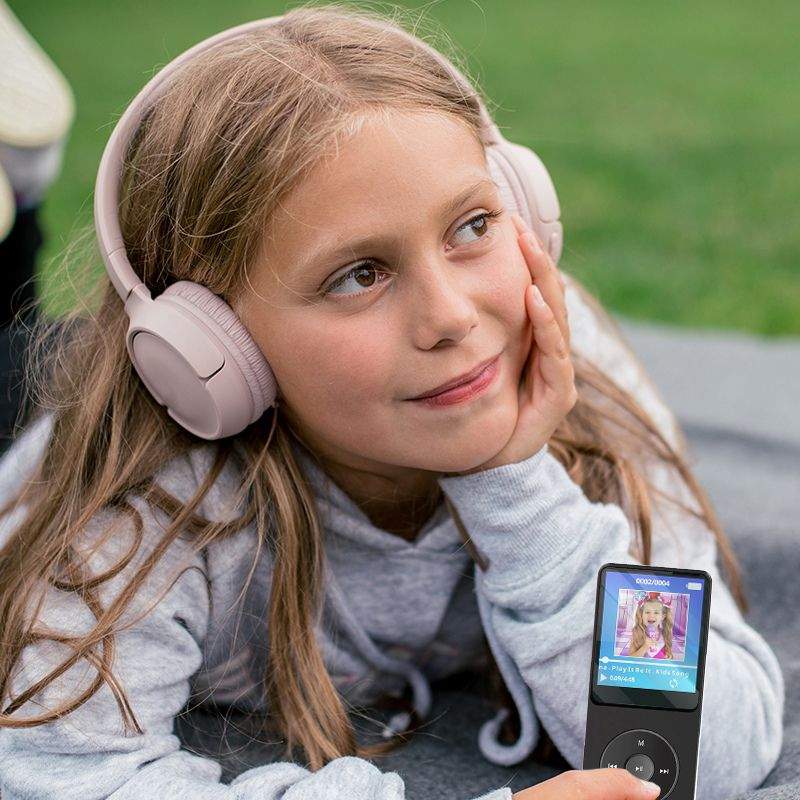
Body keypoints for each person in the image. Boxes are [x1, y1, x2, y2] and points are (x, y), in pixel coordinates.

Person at [0, 5, 784, 800]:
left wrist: (514, 482)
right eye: (359, 274)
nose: (452, 317)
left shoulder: (568, 356)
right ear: (210, 348)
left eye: (473, 225)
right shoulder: (144, 495)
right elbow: (59, 770)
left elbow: (699, 754)